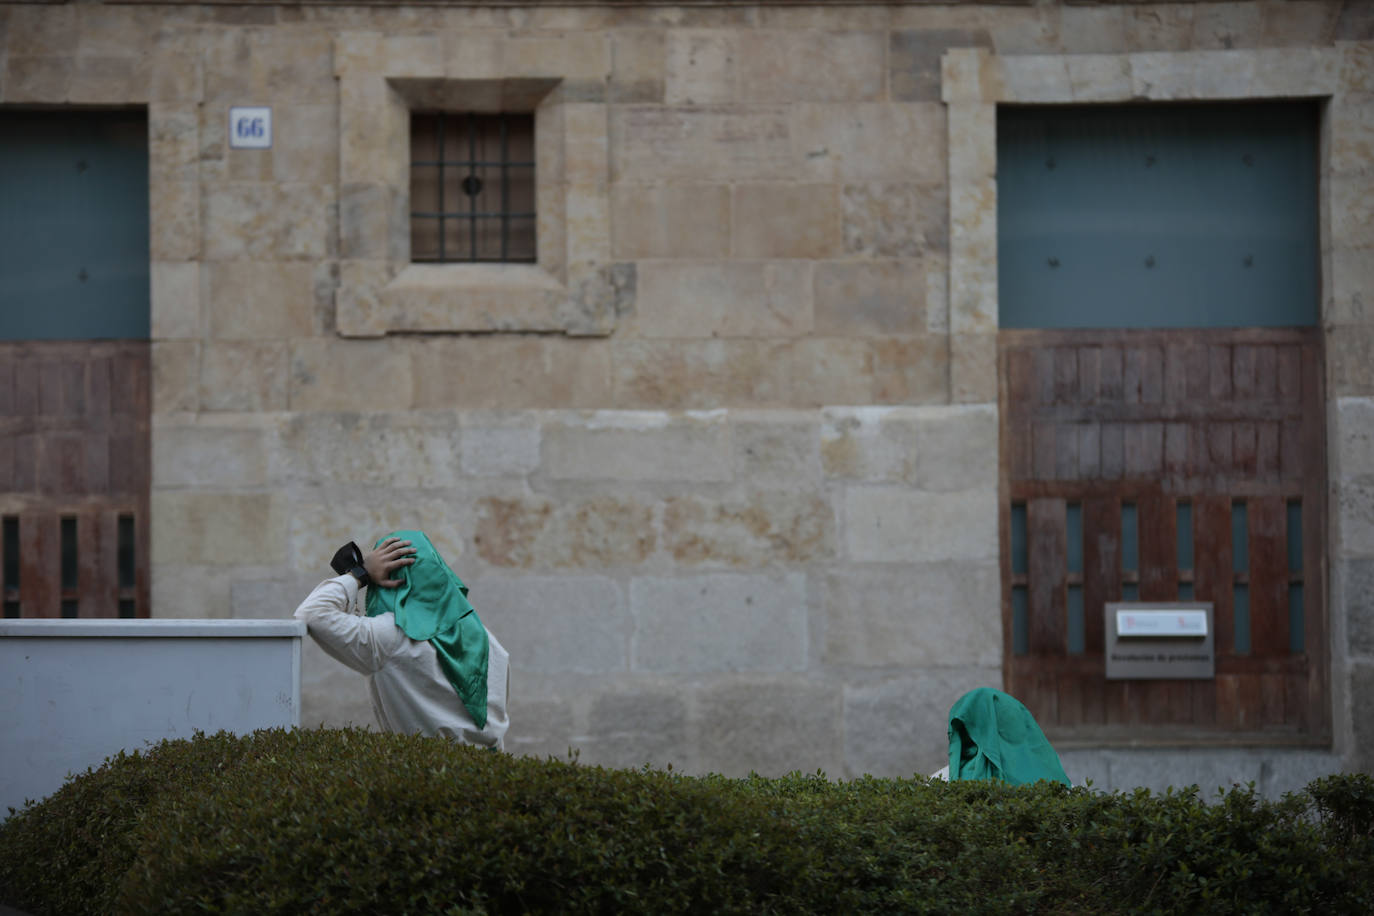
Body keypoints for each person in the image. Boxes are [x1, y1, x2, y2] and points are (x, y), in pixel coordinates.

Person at [293, 529, 509, 749]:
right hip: (490, 774)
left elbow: (312, 613)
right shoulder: (487, 639)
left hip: (429, 776)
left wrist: (360, 573)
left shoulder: (390, 637)